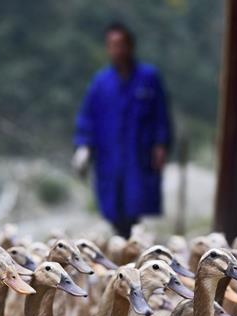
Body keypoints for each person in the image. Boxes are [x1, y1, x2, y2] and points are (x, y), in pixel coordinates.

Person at [72, 22, 172, 237]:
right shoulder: (101, 83)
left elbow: (161, 116)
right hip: (110, 157)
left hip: (138, 156)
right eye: (112, 45)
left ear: (131, 46)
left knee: (136, 206)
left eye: (121, 45)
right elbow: (87, 116)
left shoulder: (148, 78)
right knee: (113, 209)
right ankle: (120, 250)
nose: (117, 50)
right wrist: (83, 146)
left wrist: (161, 144)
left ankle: (134, 250)